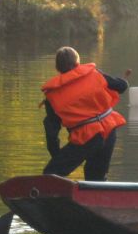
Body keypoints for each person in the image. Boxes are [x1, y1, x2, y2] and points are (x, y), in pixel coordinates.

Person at [41, 46, 129, 181]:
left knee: (51, 174)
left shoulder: (53, 96)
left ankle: (50, 200)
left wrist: (57, 156)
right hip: (109, 132)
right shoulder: (94, 74)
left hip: (86, 138)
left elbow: (51, 133)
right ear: (78, 63)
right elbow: (121, 86)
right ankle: (99, 199)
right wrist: (123, 81)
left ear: (57, 68)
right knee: (96, 179)